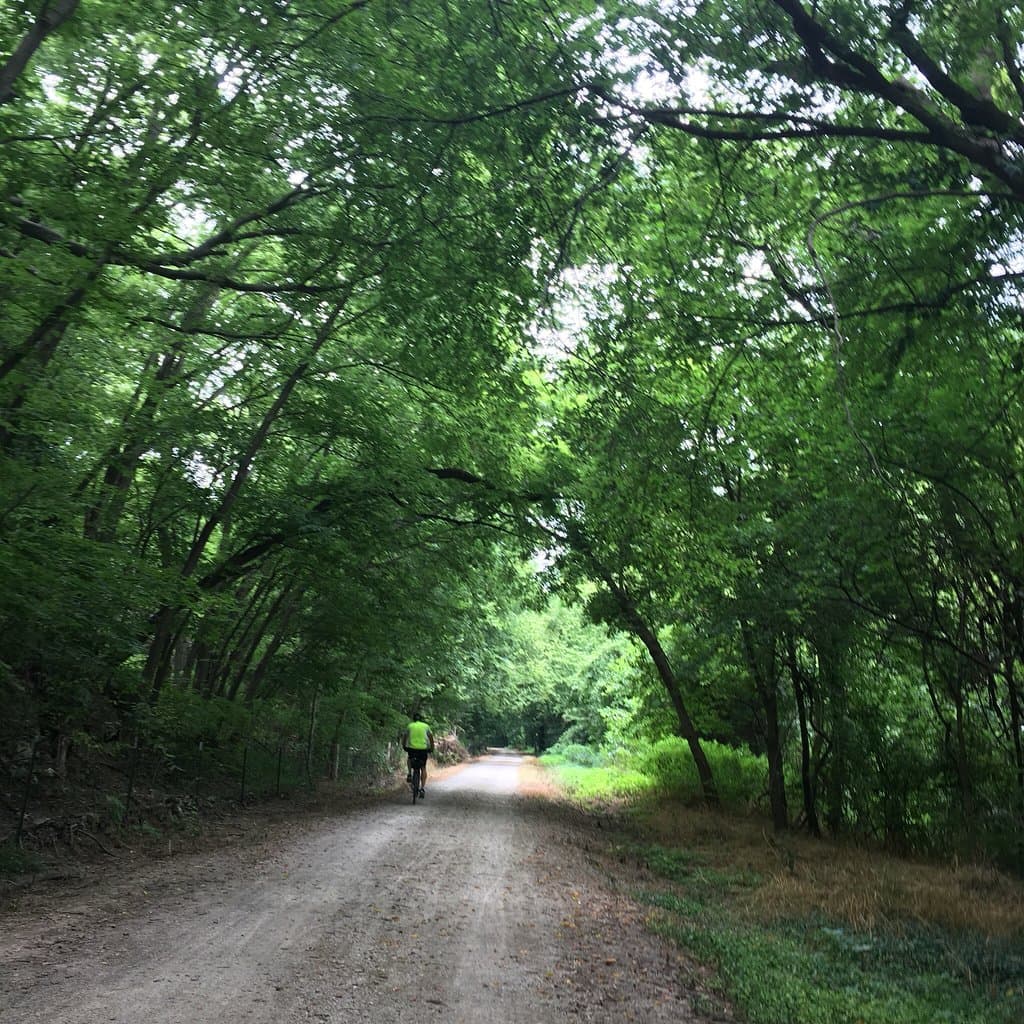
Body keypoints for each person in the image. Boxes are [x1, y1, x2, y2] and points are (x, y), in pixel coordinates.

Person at [403, 714, 434, 798]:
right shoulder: (426, 726)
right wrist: (432, 748)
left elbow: (405, 736)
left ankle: (409, 774)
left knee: (409, 758)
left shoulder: (410, 725)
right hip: (423, 749)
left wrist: (404, 746)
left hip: (412, 748)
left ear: (413, 719)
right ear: (421, 719)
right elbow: (431, 737)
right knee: (423, 767)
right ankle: (422, 788)